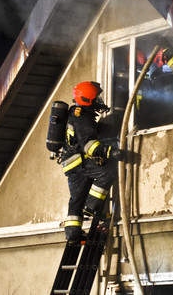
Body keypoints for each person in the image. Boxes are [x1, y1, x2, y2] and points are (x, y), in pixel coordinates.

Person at [60, 81, 124, 241]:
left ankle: (72, 233)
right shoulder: (81, 117)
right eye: (97, 98)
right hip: (80, 161)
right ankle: (91, 207)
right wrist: (111, 152)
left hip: (71, 164)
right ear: (89, 99)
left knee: (76, 198)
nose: (99, 101)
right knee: (109, 172)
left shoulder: (75, 114)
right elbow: (89, 144)